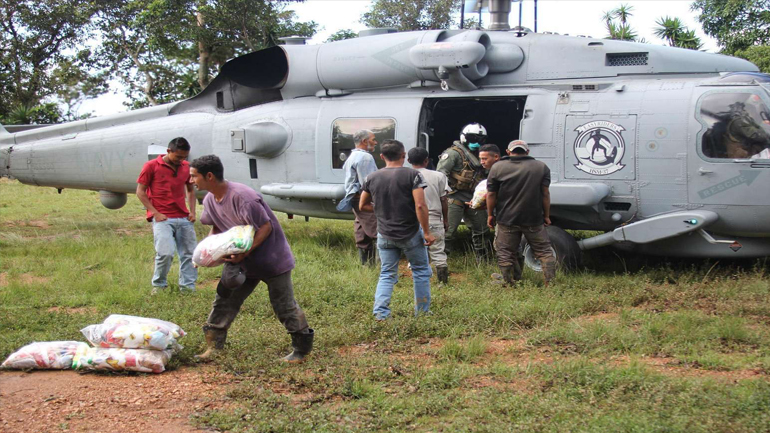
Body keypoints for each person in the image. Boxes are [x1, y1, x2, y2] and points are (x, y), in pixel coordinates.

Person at [189, 155, 313, 363]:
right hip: (240, 262)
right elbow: (217, 228)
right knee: (224, 300)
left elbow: (265, 227)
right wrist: (205, 252)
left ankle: (301, 350)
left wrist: (245, 252)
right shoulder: (210, 199)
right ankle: (214, 347)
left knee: (283, 305)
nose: (191, 180)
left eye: (194, 176)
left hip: (271, 260)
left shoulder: (243, 197)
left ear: (209, 176)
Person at [359, 140, 435, 320]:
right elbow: (420, 205)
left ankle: (380, 313)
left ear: (382, 156)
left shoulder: (371, 177)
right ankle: (422, 313)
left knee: (386, 273)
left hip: (384, 234)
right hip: (410, 233)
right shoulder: (413, 175)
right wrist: (427, 232)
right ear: (404, 156)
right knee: (420, 271)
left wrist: (382, 210)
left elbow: (362, 205)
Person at [486, 140, 556, 287]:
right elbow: (545, 194)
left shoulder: (498, 167)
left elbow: (491, 194)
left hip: (507, 219)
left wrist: (490, 214)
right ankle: (550, 284)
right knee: (544, 252)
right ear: (527, 151)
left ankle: (509, 283)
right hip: (533, 219)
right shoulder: (541, 167)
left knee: (505, 252)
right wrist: (546, 215)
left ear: (508, 152)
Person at [136, 137, 198, 294]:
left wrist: (192, 211)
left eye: (184, 157)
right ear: (168, 151)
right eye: (178, 156)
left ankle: (188, 288)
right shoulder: (151, 166)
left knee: (190, 254)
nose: (181, 160)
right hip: (162, 218)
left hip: (183, 217)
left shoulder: (186, 167)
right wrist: (155, 213)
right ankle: (159, 286)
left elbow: (191, 190)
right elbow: (140, 192)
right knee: (165, 253)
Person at [436, 123, 491, 262]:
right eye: (473, 138)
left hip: (474, 198)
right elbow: (441, 175)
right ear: (464, 137)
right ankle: (441, 262)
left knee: (482, 230)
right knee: (448, 232)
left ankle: (483, 260)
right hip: (454, 197)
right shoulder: (453, 154)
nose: (477, 142)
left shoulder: (481, 156)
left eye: (480, 139)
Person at [407, 147, 450, 284]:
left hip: (412, 219)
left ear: (408, 160)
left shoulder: (405, 175)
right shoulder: (439, 176)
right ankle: (443, 282)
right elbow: (444, 200)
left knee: (414, 250)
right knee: (438, 251)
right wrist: (445, 219)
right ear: (427, 160)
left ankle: (418, 281)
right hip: (434, 218)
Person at [338, 129, 379, 265]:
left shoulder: (353, 155)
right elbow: (368, 182)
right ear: (365, 141)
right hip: (363, 197)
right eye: (373, 139)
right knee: (378, 232)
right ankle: (382, 267)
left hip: (354, 197)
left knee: (362, 231)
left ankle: (366, 266)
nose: (375, 142)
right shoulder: (365, 157)